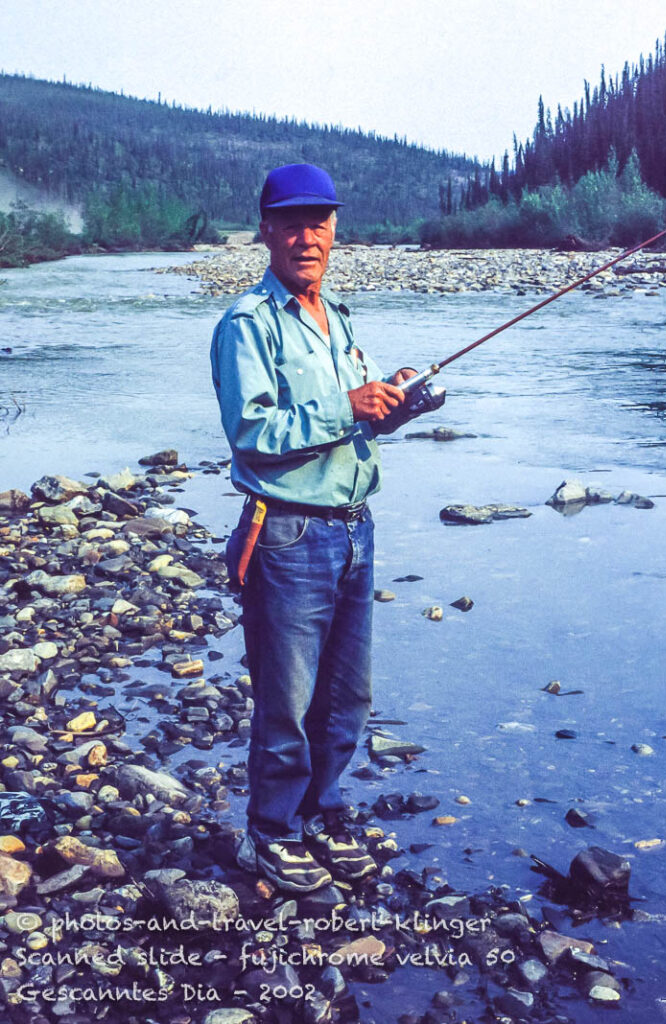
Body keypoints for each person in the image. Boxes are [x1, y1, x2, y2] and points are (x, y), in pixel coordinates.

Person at [210, 163, 415, 893]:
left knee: (345, 697)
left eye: (319, 222)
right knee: (286, 700)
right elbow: (253, 432)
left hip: (354, 530)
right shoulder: (246, 323)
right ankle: (270, 833)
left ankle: (323, 813)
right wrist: (347, 409)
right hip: (287, 535)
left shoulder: (339, 316)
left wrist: (392, 407)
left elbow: (342, 422)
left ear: (334, 230)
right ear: (265, 229)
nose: (307, 236)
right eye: (291, 222)